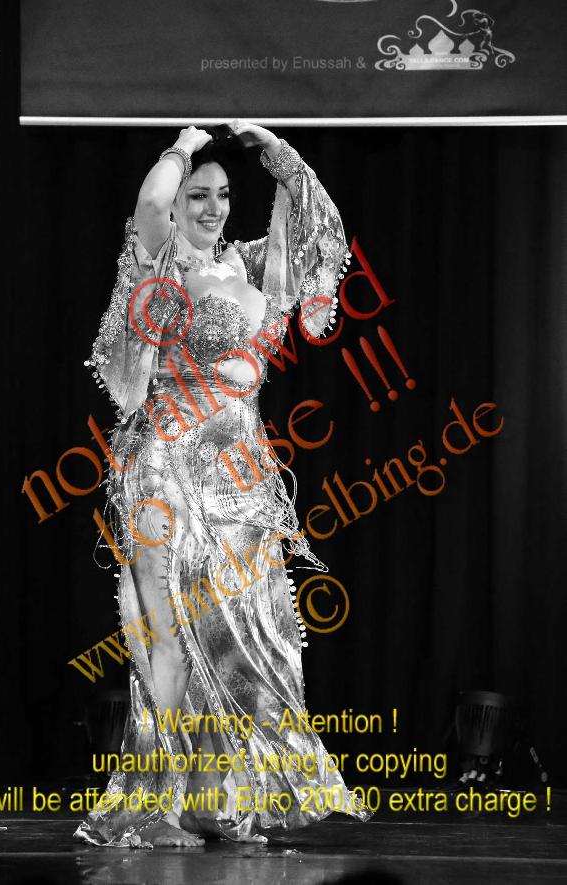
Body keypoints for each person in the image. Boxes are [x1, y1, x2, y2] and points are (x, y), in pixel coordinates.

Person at [74, 121, 368, 848]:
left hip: (239, 474)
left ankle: (213, 799)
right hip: (164, 467)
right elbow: (150, 206)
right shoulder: (160, 262)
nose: (212, 207)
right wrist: (182, 146)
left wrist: (277, 152)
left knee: (242, 639)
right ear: (179, 205)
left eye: (224, 194)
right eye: (198, 195)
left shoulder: (250, 262)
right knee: (172, 640)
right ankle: (155, 807)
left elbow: (320, 237)